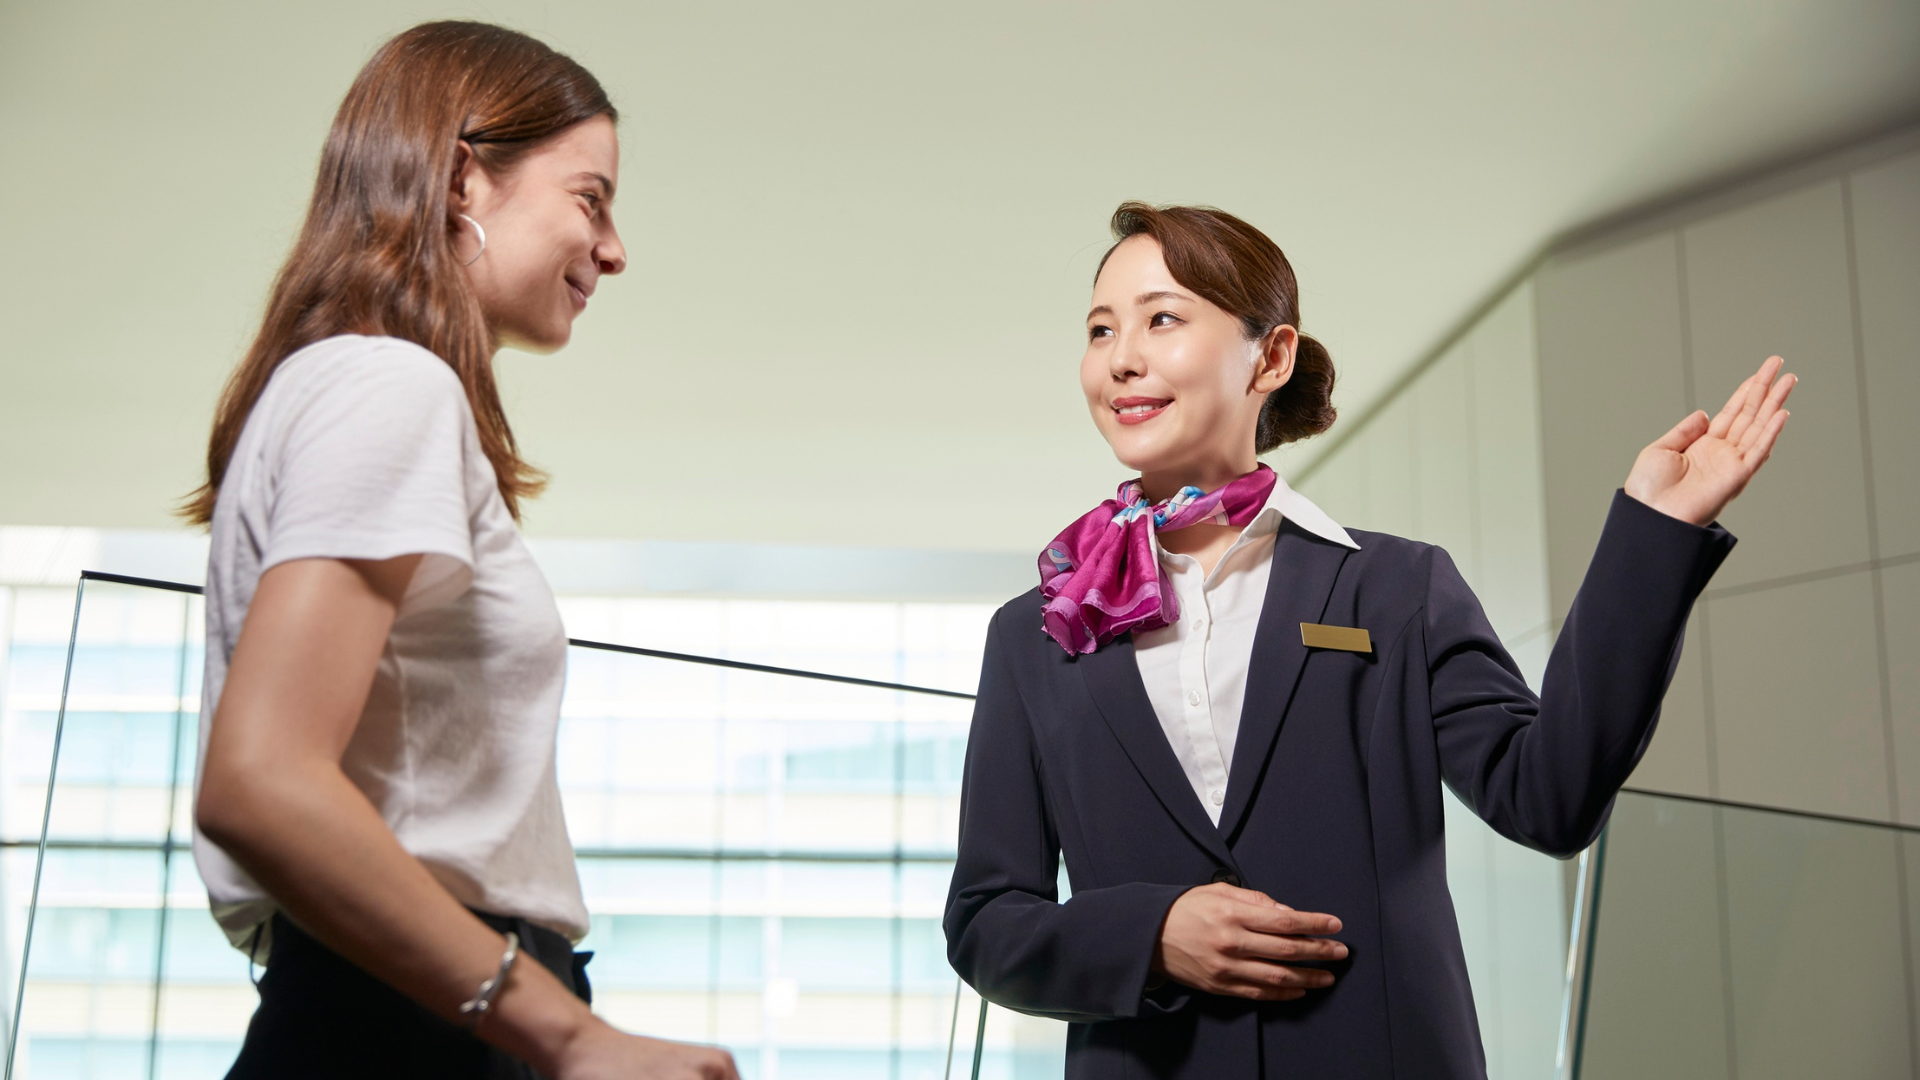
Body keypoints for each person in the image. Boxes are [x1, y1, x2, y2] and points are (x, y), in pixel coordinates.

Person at [943, 202, 1793, 1079]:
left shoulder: (1397, 590)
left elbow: (1548, 798)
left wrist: (1651, 538)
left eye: (1162, 318)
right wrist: (1153, 936)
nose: (1121, 358)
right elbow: (985, 921)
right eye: (1100, 329)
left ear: (1269, 357)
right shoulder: (1034, 633)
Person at [185, 22, 738, 1080]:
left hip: (408, 1005)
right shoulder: (388, 385)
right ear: (460, 180)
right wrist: (569, 1036)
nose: (615, 249)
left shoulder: (351, 384)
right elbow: (257, 781)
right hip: (407, 1024)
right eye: (591, 198)